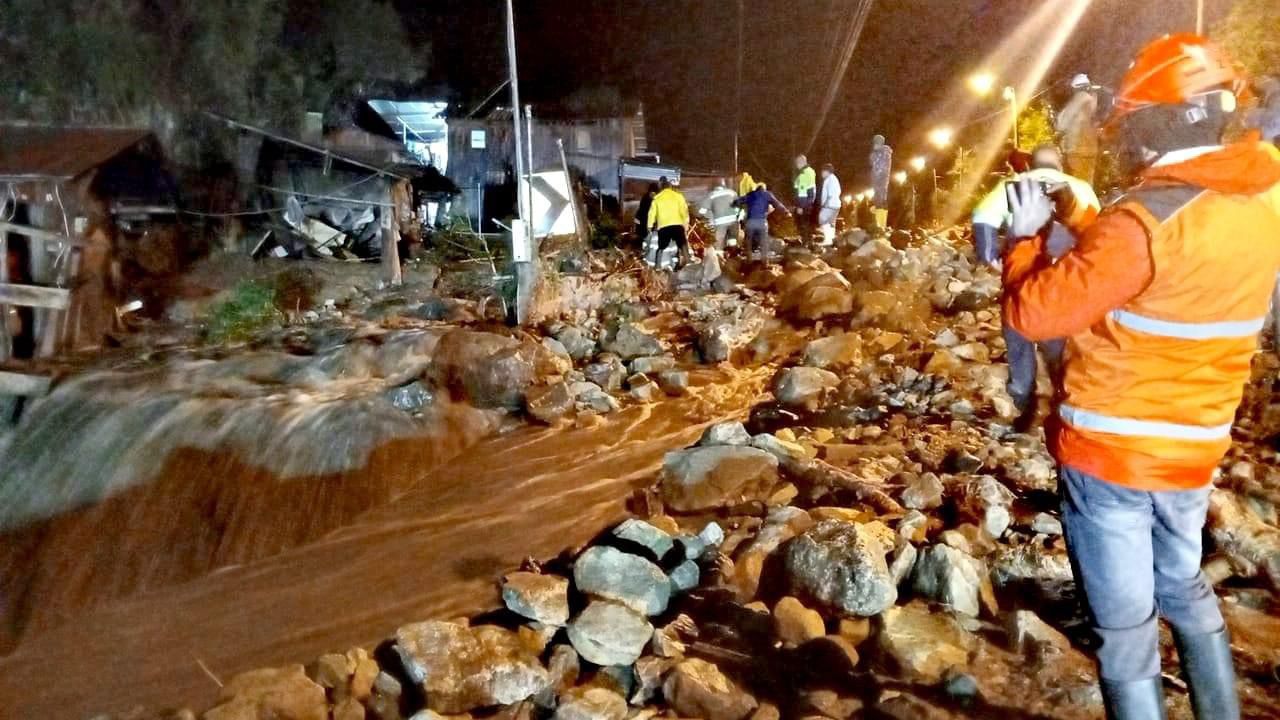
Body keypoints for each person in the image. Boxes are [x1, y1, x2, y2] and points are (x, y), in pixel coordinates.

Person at [1001, 35, 1279, 720]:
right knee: (1182, 583)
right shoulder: (1265, 195)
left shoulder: (1140, 223)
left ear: (1150, 123)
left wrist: (1025, 240)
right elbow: (1169, 260)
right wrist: (1087, 216)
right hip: (1194, 450)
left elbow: (1035, 315)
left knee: (1124, 634)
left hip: (1111, 456)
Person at [972, 143, 1100, 420]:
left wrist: (990, 256)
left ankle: (1022, 394)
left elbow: (982, 217)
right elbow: (1097, 231)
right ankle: (1064, 393)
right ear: (1061, 163)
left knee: (1017, 331)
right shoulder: (1079, 187)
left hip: (1022, 267)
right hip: (1063, 275)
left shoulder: (1014, 183)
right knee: (1060, 336)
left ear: (1031, 163)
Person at [1057, 73, 1103, 184]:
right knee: (1086, 184)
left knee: (1075, 185)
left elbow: (1061, 123)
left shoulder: (1080, 98)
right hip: (1090, 150)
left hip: (1076, 149)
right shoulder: (1093, 101)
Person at [734, 182, 790, 264]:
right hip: (762, 222)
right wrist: (786, 212)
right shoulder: (767, 194)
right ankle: (765, 261)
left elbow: (739, 201)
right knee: (764, 240)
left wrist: (735, 203)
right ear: (764, 188)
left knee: (749, 240)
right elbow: (777, 204)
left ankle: (748, 259)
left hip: (750, 221)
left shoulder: (751, 194)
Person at [649, 177, 690, 270]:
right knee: (682, 244)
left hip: (664, 226)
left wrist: (649, 226)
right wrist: (685, 224)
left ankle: (658, 266)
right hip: (677, 224)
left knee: (661, 247)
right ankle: (688, 261)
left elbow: (652, 214)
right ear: (670, 187)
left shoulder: (657, 198)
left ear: (661, 188)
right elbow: (684, 211)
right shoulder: (678, 196)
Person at [699, 178, 740, 251]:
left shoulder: (711, 195)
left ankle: (720, 256)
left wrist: (708, 217)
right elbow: (738, 206)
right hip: (733, 221)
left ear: (713, 186)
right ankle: (732, 254)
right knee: (732, 241)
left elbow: (702, 211)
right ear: (724, 184)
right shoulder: (732, 192)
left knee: (718, 244)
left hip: (720, 223)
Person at [869, 135, 893, 231]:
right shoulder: (877, 153)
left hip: (881, 181)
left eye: (876, 143)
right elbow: (873, 165)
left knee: (881, 201)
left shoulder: (884, 153)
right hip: (877, 181)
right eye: (874, 143)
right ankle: (879, 224)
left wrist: (875, 155)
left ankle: (881, 226)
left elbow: (881, 168)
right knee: (877, 201)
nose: (874, 145)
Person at [816, 163, 842, 245]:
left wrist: (825, 203)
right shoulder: (834, 179)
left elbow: (830, 193)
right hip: (836, 204)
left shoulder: (829, 180)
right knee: (831, 222)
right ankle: (831, 239)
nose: (821, 174)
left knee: (823, 219)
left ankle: (828, 239)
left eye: (822, 172)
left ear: (826, 171)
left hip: (830, 204)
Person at [793, 155, 817, 240]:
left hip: (804, 204)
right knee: (808, 225)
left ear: (801, 162)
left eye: (797, 163)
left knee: (803, 225)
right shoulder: (811, 171)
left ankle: (805, 244)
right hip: (810, 203)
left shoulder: (803, 174)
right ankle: (809, 242)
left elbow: (802, 193)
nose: (796, 165)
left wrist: (800, 206)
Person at [635, 183, 658, 247]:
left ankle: (643, 244)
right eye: (652, 193)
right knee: (644, 233)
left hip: (643, 218)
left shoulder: (645, 197)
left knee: (643, 233)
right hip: (644, 219)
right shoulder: (654, 198)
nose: (652, 194)